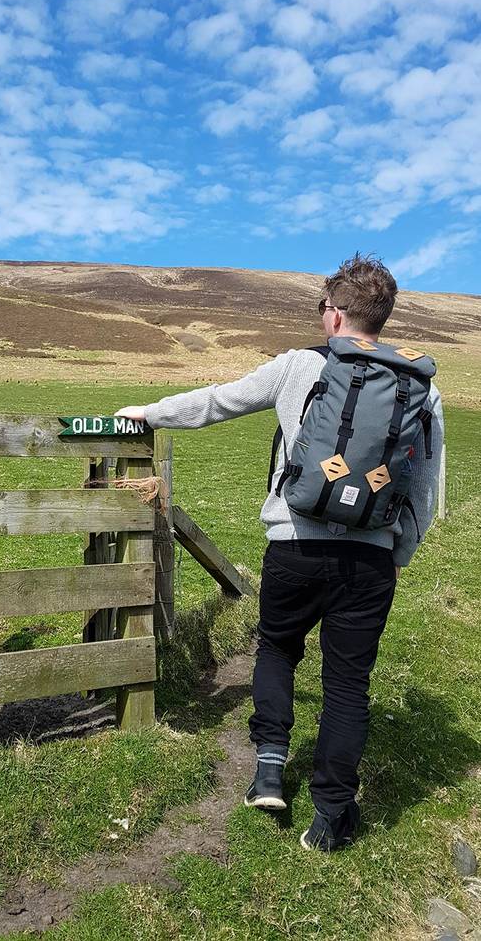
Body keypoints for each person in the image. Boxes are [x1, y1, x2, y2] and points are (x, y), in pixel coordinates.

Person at [114, 253, 444, 852]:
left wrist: (149, 412)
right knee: (348, 684)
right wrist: (394, 555)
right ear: (381, 317)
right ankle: (331, 817)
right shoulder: (419, 388)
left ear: (335, 314)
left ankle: (269, 768)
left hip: (294, 546)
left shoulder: (298, 367)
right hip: (369, 560)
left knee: (277, 648)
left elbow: (219, 401)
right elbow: (424, 490)